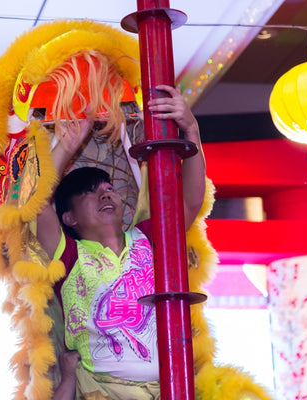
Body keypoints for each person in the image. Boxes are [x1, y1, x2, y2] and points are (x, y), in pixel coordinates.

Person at [37, 84, 206, 400]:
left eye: (108, 187)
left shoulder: (148, 236)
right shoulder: (69, 254)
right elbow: (36, 204)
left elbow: (191, 202)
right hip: (102, 391)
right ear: (69, 218)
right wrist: (67, 144)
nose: (105, 193)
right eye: (89, 191)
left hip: (171, 388)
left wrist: (192, 131)